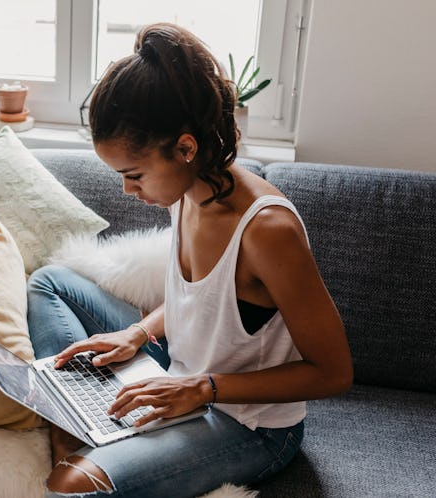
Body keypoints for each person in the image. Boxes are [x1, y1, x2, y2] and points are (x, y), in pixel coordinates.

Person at [26, 22, 353, 498]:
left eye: (134, 175)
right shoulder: (187, 191)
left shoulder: (267, 232)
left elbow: (334, 372)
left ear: (184, 148)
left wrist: (203, 390)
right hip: (180, 371)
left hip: (249, 425)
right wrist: (136, 333)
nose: (127, 191)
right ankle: (81, 420)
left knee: (71, 486)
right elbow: (203, 305)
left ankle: (84, 444)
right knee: (52, 281)